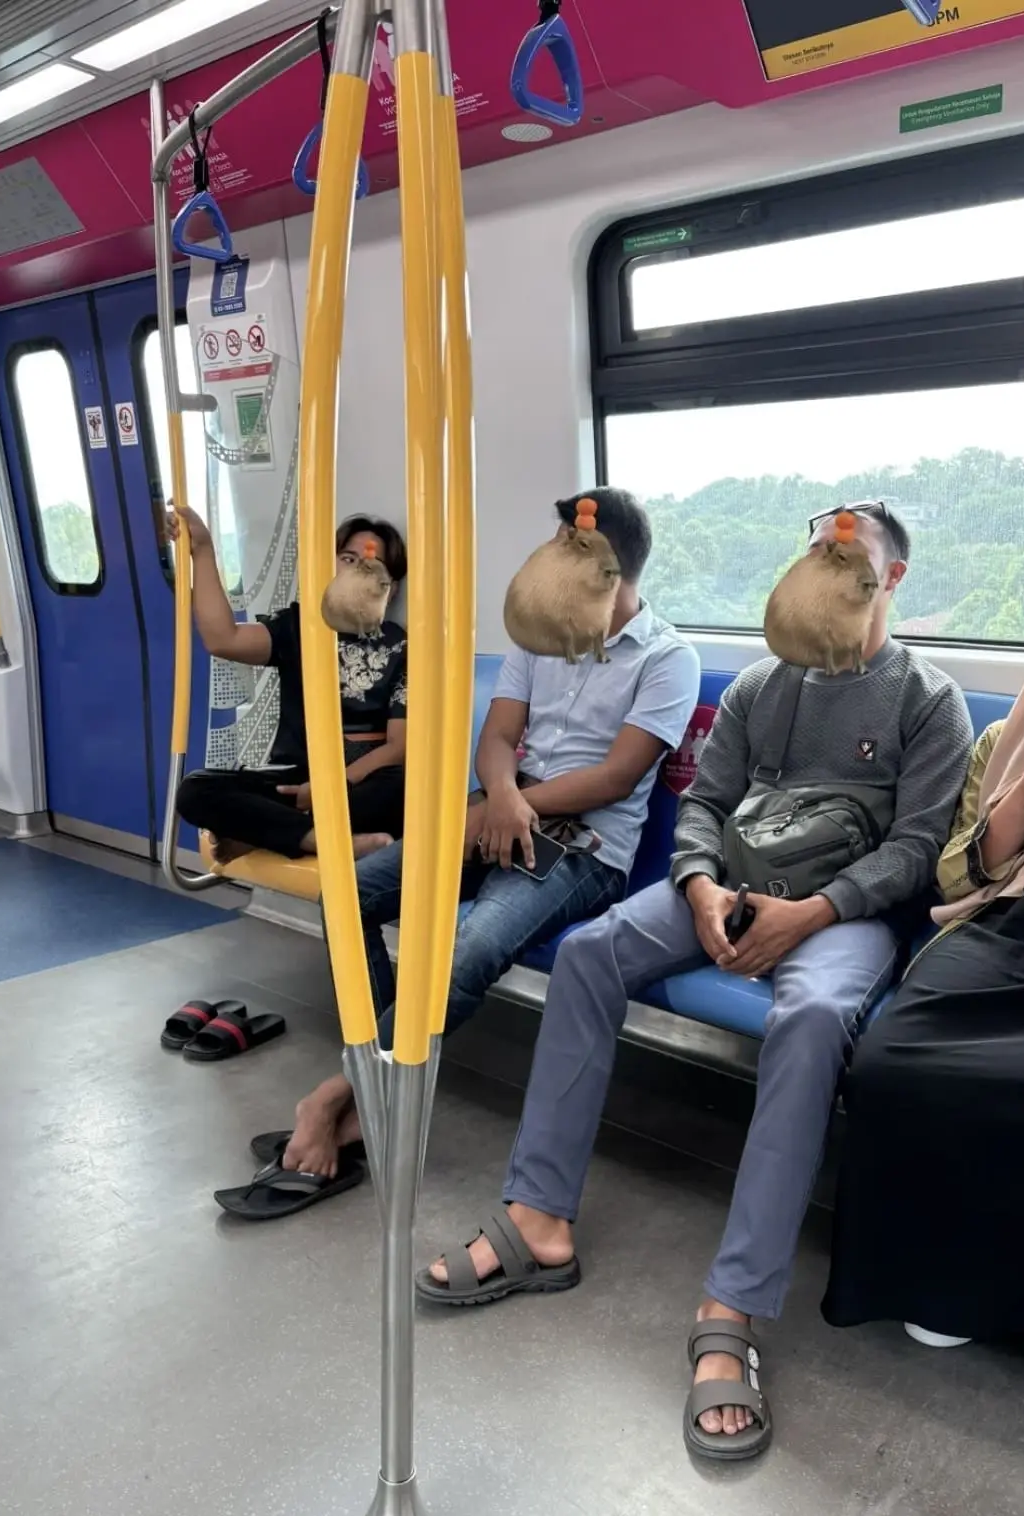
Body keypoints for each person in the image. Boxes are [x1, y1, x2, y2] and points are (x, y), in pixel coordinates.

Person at [417, 500, 974, 1464]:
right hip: (729, 884)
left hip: (841, 914)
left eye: (850, 561)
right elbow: (709, 803)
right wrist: (702, 887)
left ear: (891, 582)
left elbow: (922, 847)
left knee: (809, 1020)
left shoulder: (928, 699)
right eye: (815, 552)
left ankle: (735, 1302)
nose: (825, 570)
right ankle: (538, 1216)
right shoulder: (764, 684)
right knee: (592, 953)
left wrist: (821, 909)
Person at [223, 487, 701, 1217]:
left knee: (463, 948)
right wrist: (501, 797)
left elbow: (617, 775)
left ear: (610, 569)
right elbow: (498, 737)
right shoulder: (541, 633)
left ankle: (337, 1096)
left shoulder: (668, 658)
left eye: (570, 551)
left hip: (582, 847)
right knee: (347, 897)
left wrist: (515, 804)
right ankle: (383, 1082)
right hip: (500, 808)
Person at [823, 596, 1024, 1350]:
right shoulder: (1008, 743)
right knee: (892, 1062)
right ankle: (936, 1283)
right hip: (1018, 921)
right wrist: (1021, 802)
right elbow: (957, 883)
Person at [173, 506, 408, 863]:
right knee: (195, 790)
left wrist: (332, 787)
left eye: (374, 565)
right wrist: (202, 550)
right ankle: (319, 839)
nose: (358, 570)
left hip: (359, 782)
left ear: (389, 590)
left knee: (402, 789)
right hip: (297, 779)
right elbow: (223, 638)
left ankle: (271, 832)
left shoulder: (400, 645)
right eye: (348, 558)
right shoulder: (299, 627)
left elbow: (399, 747)